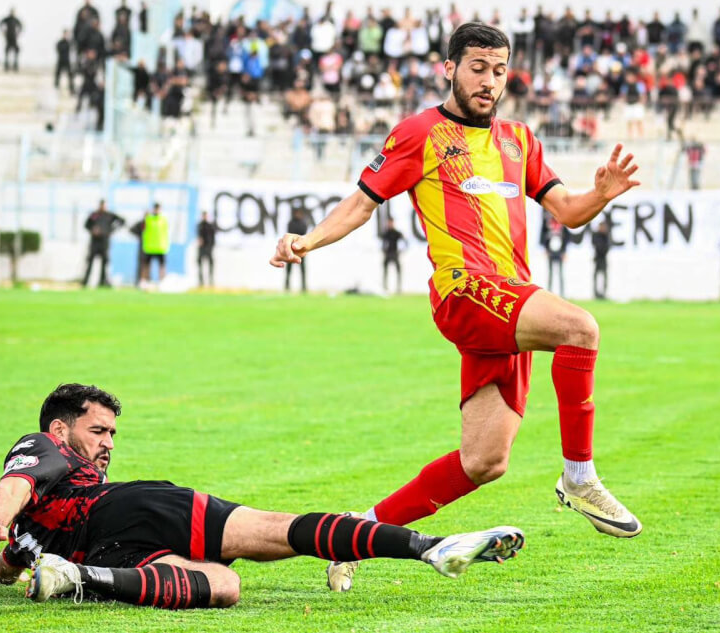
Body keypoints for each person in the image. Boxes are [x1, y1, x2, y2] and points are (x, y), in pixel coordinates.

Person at [270, 22, 643, 594]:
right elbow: (361, 203)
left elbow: (567, 210)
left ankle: (356, 535)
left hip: (510, 303)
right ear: (449, 68)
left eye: (499, 70)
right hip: (464, 291)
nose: (489, 81)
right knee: (579, 328)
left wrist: (602, 194)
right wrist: (307, 241)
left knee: (484, 461)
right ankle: (580, 477)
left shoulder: (520, 139)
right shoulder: (420, 133)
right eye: (477, 67)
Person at [0, 384, 524, 609]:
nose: (107, 444)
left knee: (224, 587)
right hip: (126, 510)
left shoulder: (32, 530)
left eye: (112, 434)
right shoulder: (43, 448)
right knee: (273, 530)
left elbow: (11, 559)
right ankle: (426, 546)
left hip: (97, 553)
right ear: (60, 431)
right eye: (98, 432)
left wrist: (1, 555)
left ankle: (79, 583)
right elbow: (10, 489)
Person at [82, 199, 124, 288]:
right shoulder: (94, 215)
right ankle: (85, 281)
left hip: (104, 242)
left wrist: (111, 230)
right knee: (90, 261)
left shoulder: (109, 215)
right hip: (94, 242)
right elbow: (86, 225)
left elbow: (122, 221)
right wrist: (92, 230)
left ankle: (102, 281)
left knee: (104, 263)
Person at [540, 215, 569, 297]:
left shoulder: (563, 224)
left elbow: (567, 238)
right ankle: (549, 293)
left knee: (560, 273)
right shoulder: (547, 223)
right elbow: (543, 236)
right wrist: (545, 249)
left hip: (560, 252)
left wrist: (564, 251)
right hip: (550, 251)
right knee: (550, 273)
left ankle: (562, 294)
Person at [141, 202, 169, 284]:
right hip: (150, 247)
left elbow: (166, 233)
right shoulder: (148, 219)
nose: (157, 210)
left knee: (162, 266)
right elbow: (143, 229)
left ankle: (162, 282)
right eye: (155, 208)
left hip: (160, 247)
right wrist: (144, 217)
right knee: (146, 265)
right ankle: (145, 282)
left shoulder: (164, 220)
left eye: (158, 208)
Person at [381, 216, 407, 294]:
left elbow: (405, 242)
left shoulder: (397, 233)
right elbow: (382, 243)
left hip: (395, 253)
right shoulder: (386, 233)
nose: (390, 224)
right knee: (385, 270)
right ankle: (385, 287)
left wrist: (401, 251)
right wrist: (384, 251)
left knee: (398, 271)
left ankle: (398, 288)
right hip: (388, 253)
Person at [284, 209, 308, 293]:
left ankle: (304, 287)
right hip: (291, 250)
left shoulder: (303, 223)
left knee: (303, 270)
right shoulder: (291, 223)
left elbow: (303, 234)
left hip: (301, 250)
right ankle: (287, 287)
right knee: (288, 270)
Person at [196, 211, 217, 287]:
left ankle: (211, 279)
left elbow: (213, 237)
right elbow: (198, 236)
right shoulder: (199, 225)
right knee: (200, 263)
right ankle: (201, 281)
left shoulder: (210, 226)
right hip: (201, 248)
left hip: (208, 247)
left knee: (210, 263)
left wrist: (211, 246)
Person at [592, 220, 610, 300]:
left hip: (603, 258)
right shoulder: (596, 235)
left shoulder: (606, 236)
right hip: (597, 258)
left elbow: (607, 247)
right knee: (596, 276)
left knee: (604, 276)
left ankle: (604, 293)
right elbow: (595, 245)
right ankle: (596, 293)